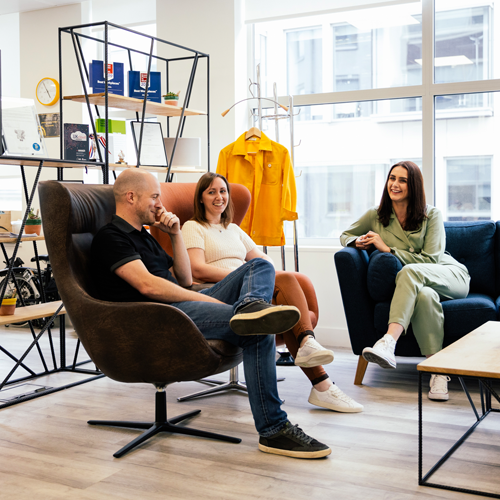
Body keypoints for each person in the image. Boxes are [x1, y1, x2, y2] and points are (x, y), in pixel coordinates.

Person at [90, 168, 331, 459]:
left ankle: (249, 308)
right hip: (158, 316)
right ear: (131, 197)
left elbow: (182, 278)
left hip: (180, 302)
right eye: (154, 197)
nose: (159, 203)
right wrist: (211, 304)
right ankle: (273, 430)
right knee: (257, 327)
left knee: (261, 267)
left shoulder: (145, 235)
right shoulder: (111, 236)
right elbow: (149, 286)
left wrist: (175, 234)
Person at [181, 172, 363, 413]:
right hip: (215, 293)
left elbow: (263, 260)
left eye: (223, 191)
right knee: (279, 280)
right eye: (211, 192)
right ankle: (318, 372)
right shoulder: (193, 227)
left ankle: (320, 379)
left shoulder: (234, 229)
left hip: (249, 292)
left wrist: (258, 278)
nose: (219, 197)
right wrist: (243, 274)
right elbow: (197, 268)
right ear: (201, 198)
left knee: (283, 297)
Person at [340, 161, 470, 401]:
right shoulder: (376, 215)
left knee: (409, 272)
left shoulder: (431, 215)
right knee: (424, 296)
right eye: (392, 178)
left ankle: (389, 341)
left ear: (414, 186)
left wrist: (388, 250)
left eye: (402, 180)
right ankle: (437, 371)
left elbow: (431, 260)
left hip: (448, 276)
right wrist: (356, 243)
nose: (395, 184)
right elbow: (345, 234)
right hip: (422, 287)